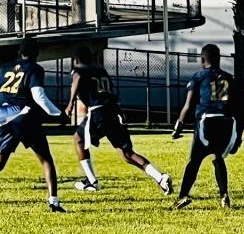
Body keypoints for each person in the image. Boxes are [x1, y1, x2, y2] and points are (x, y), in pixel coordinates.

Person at [0, 36, 67, 213]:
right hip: (25, 118)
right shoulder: (35, 69)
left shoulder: (5, 68)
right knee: (46, 160)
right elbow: (38, 95)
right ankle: (53, 203)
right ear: (37, 52)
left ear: (19, 51)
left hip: (5, 117)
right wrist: (58, 113)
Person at [64, 46, 172, 195]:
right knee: (126, 154)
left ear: (76, 60)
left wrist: (70, 103)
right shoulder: (101, 70)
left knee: (78, 139)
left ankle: (91, 182)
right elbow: (111, 92)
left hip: (98, 111)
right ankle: (160, 177)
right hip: (112, 111)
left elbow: (78, 77)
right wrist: (119, 110)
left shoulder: (80, 70)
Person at [170, 44, 239, 209]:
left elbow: (188, 104)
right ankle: (224, 196)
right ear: (219, 59)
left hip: (207, 122)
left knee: (194, 161)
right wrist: (239, 136)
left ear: (202, 60)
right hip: (226, 122)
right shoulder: (229, 78)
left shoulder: (199, 76)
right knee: (218, 157)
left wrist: (178, 126)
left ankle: (183, 196)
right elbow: (239, 107)